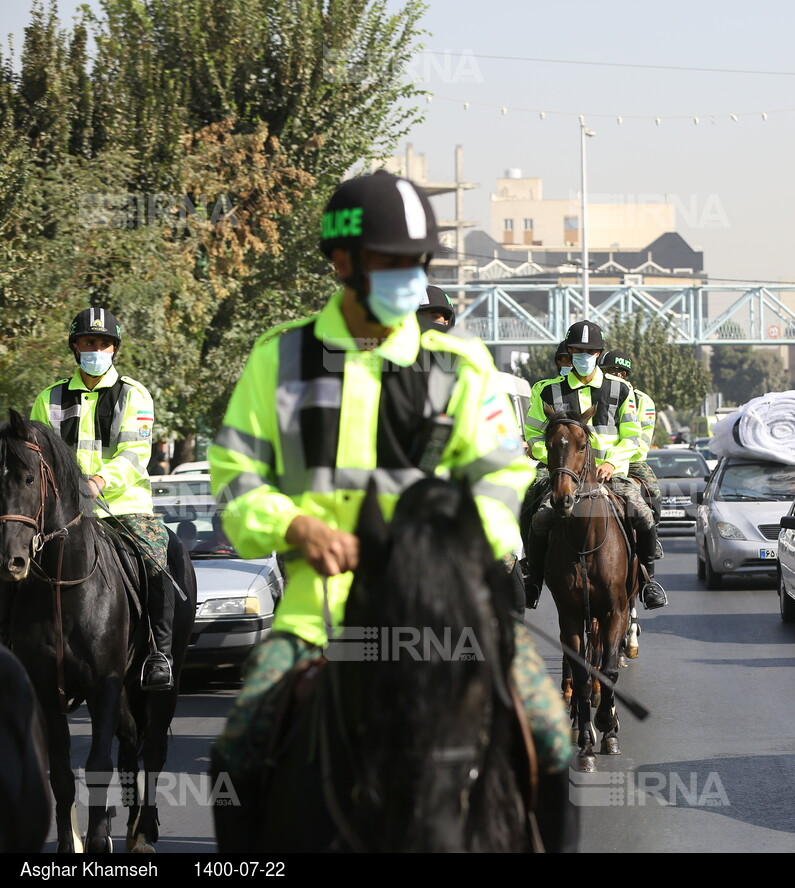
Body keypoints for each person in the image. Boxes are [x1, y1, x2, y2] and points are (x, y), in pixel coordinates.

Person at [207, 171, 568, 847]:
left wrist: (441, 549)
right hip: (318, 623)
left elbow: (503, 478)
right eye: (391, 262)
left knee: (551, 743)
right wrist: (293, 524)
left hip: (446, 617)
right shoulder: (278, 359)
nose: (409, 277)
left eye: (417, 263)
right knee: (236, 753)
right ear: (342, 262)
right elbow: (234, 477)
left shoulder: (460, 366)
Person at [30, 307, 176, 691]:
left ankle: (159, 653)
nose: (97, 349)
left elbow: (134, 454)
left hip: (123, 507)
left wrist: (96, 482)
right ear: (76, 348)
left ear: (115, 349)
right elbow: (37, 456)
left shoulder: (134, 394)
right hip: (63, 513)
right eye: (89, 342)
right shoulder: (49, 398)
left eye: (104, 343)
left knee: (156, 558)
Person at [521, 319, 666, 610]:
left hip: (610, 475)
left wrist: (612, 463)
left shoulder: (622, 390)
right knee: (536, 515)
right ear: (569, 351)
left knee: (644, 517)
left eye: (589, 351)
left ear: (599, 354)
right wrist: (553, 459)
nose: (583, 356)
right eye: (577, 350)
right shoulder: (546, 391)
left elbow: (633, 437)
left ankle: (649, 582)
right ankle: (533, 579)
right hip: (565, 475)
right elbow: (534, 435)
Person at [600, 349, 662, 528]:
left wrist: (620, 459)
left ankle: (652, 536)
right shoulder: (596, 393)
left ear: (623, 374)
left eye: (609, 371)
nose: (605, 376)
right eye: (603, 371)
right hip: (597, 460)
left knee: (654, 492)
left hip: (631, 460)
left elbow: (642, 438)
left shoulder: (643, 401)